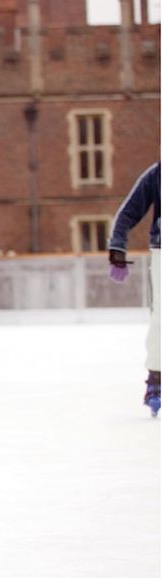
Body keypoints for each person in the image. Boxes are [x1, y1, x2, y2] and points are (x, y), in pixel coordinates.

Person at [107, 161, 160, 417]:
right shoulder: (157, 173)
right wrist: (117, 245)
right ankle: (156, 378)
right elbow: (128, 211)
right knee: (161, 318)